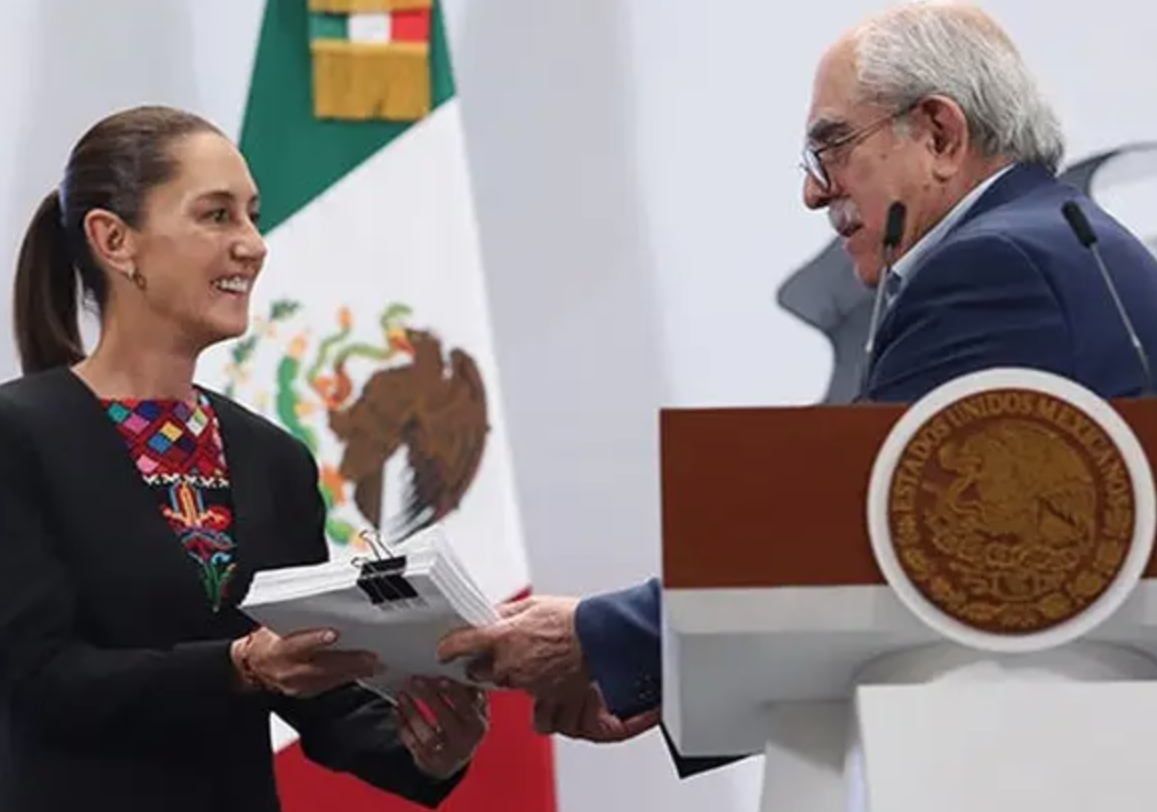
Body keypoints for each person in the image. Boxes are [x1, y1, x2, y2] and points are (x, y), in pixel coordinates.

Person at [437, 0, 1157, 775]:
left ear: (940, 135)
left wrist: (594, 637)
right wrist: (657, 681)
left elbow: (860, 535)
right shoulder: (1063, 238)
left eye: (833, 148)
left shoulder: (994, 268)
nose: (815, 194)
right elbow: (963, 573)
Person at [0, 105, 488, 812]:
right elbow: (43, 677)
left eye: (253, 217)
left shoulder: (274, 459)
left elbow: (321, 694)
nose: (253, 245)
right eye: (217, 215)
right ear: (114, 240)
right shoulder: (8, 433)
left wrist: (426, 749)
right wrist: (237, 666)